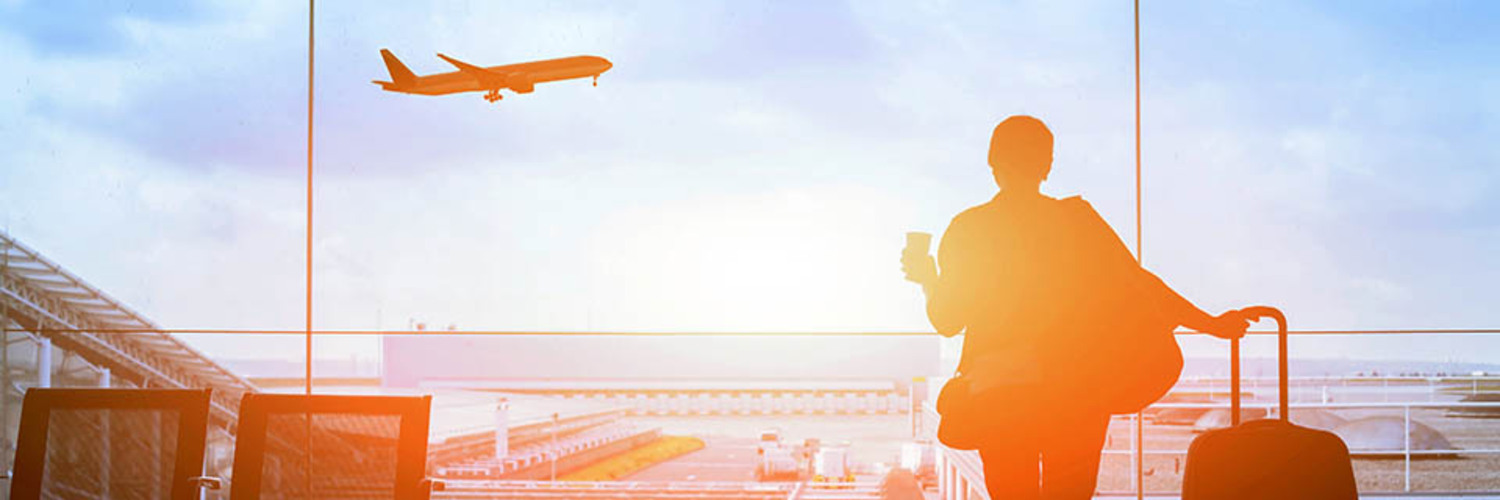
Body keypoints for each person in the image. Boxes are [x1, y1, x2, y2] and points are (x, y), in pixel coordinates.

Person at [901, 115, 1251, 499]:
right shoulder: (1078, 222)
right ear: (1047, 164)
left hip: (1001, 395)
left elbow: (947, 320)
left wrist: (927, 279)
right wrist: (1211, 324)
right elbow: (1144, 285)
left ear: (991, 161)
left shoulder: (970, 229)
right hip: (1078, 393)